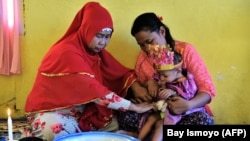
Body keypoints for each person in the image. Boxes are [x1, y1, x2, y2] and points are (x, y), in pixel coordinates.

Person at [24, 2, 155, 141]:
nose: (103, 42)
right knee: (56, 129)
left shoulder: (96, 53)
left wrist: (136, 87)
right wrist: (135, 107)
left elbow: (120, 72)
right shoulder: (67, 52)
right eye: (98, 35)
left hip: (83, 112)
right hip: (53, 111)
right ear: (86, 30)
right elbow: (94, 90)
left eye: (107, 36)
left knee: (114, 123)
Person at [118, 12, 216, 141]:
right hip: (159, 111)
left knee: (202, 122)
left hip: (187, 112)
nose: (147, 48)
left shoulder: (185, 51)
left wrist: (189, 105)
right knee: (124, 111)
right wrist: (148, 84)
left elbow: (207, 90)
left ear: (162, 31)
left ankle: (147, 136)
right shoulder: (143, 59)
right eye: (141, 45)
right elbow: (143, 94)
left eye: (150, 41)